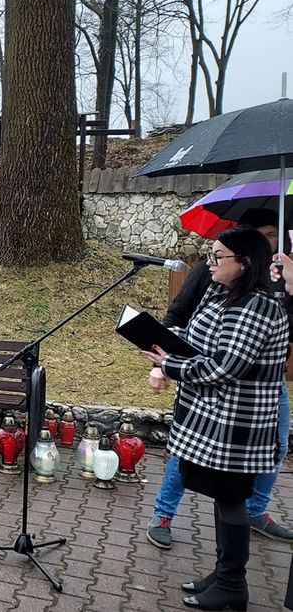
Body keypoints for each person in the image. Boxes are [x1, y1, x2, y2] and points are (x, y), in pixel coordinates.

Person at [143, 226, 288, 611]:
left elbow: (227, 365)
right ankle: (222, 574)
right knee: (223, 498)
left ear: (245, 263)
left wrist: (170, 365)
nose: (209, 263)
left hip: (237, 422)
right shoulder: (220, 293)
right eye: (210, 254)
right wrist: (166, 339)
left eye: (218, 257)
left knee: (232, 500)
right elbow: (197, 338)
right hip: (211, 416)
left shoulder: (257, 305)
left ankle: (233, 585)